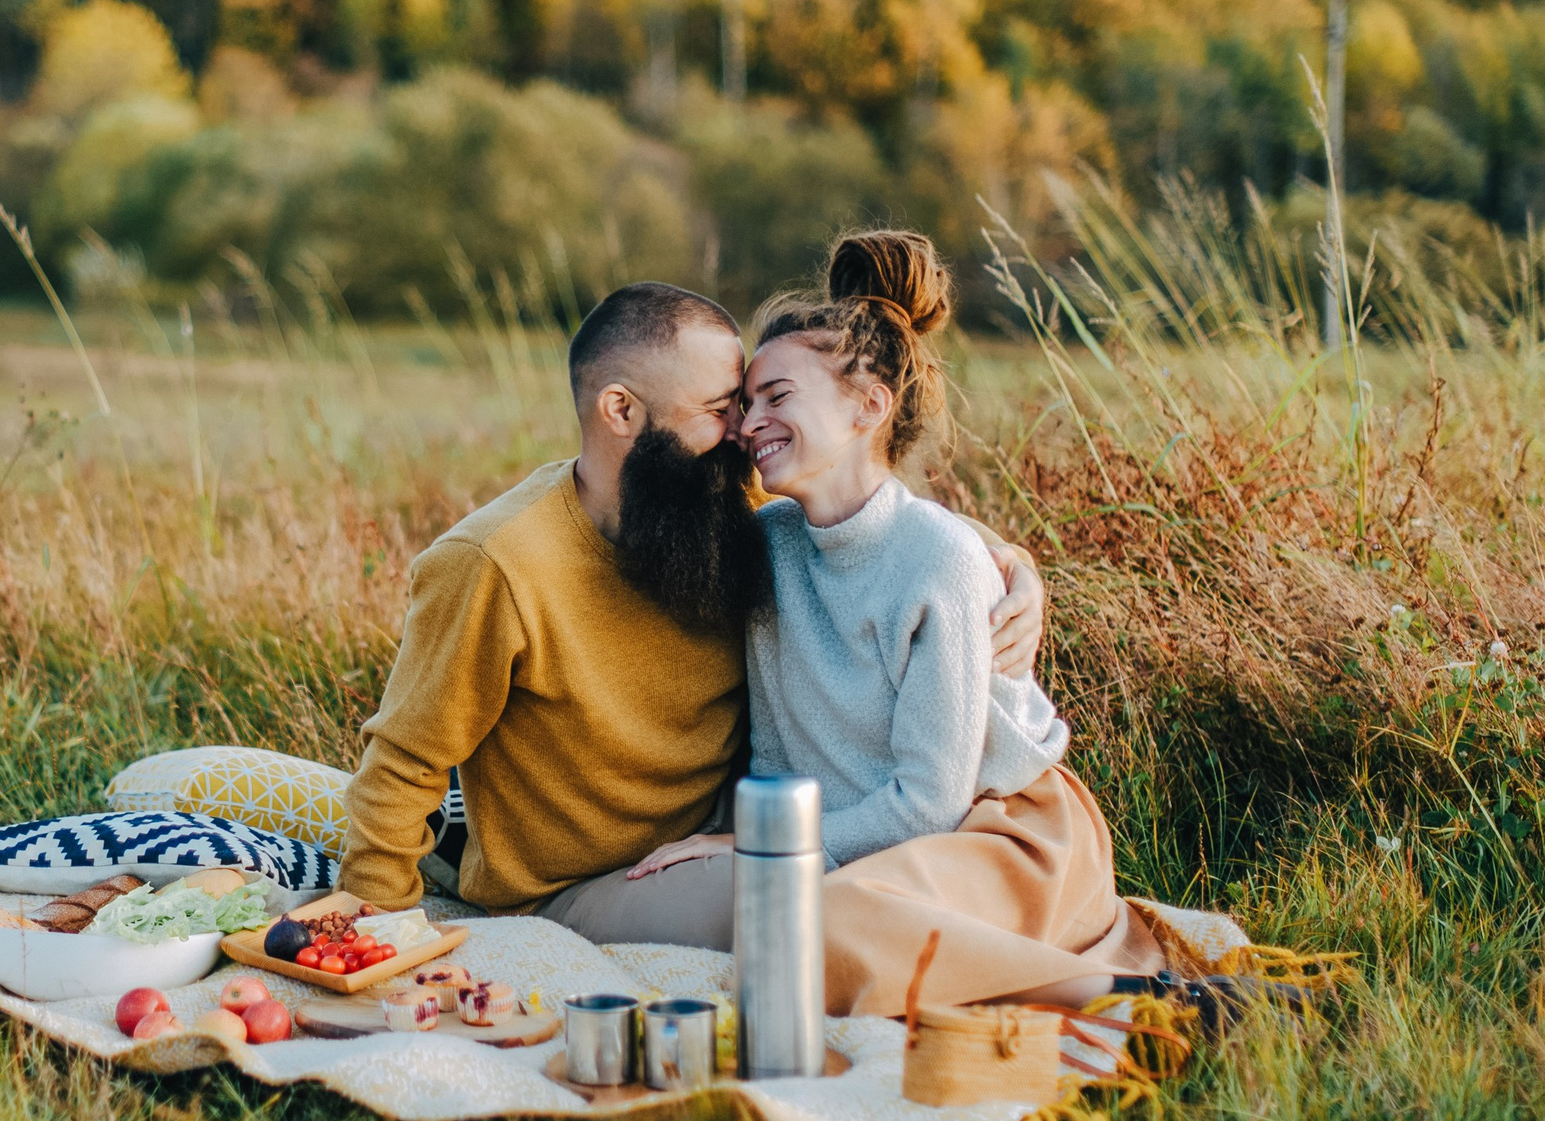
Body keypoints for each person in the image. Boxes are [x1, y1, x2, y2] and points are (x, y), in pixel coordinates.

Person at [334, 279, 1045, 939]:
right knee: (782, 886)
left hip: (725, 835)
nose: (744, 431)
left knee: (871, 870)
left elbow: (874, 522)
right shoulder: (496, 563)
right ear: (622, 410)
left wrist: (1010, 565)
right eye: (720, 409)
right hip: (578, 888)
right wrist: (375, 930)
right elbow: (404, 761)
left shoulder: (719, 508)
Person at [622, 231, 1166, 1010]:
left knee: (817, 923)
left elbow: (930, 800)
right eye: (745, 405)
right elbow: (778, 757)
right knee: (779, 922)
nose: (747, 425)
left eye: (776, 397)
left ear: (869, 406)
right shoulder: (770, 546)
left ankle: (1139, 997)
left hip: (997, 833)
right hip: (876, 845)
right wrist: (758, 834)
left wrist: (757, 841)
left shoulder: (938, 557)